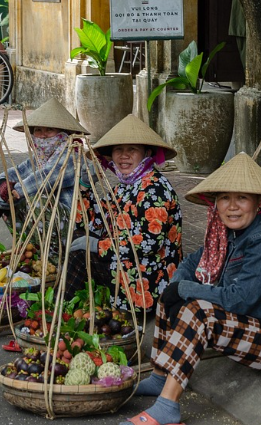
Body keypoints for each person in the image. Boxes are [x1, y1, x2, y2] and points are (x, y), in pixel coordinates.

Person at [120, 152, 261, 425]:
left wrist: (185, 289)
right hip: (250, 325)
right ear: (216, 204)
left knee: (199, 311)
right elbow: (192, 262)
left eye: (242, 198)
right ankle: (159, 376)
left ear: (259, 202)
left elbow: (239, 300)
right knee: (171, 294)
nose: (232, 207)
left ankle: (167, 407)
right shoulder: (226, 234)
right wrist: (177, 287)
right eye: (224, 198)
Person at [65, 115, 183, 314]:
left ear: (146, 153)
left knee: (80, 254)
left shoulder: (155, 188)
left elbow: (149, 243)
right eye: (118, 150)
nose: (123, 156)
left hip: (148, 277)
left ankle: (62, 312)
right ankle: (70, 308)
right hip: (124, 261)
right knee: (76, 238)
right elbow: (93, 223)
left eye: (132, 150)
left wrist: (98, 246)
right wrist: (85, 187)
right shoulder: (124, 187)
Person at [0, 98, 90, 251]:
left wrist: (17, 190)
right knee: (8, 202)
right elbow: (10, 174)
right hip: (43, 222)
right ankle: (31, 250)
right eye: (38, 130)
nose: (43, 135)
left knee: (37, 200)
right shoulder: (39, 159)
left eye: (49, 130)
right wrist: (3, 192)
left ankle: (55, 255)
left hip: (69, 221)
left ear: (63, 133)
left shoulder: (72, 156)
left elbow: (48, 176)